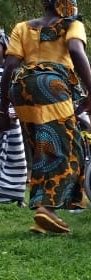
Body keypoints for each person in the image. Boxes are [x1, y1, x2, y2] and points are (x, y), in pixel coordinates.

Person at [0, 0, 91, 233]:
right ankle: (47, 209)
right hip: (51, 85)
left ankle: (45, 219)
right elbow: (75, 50)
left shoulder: (22, 27)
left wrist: (3, 106)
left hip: (21, 88)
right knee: (68, 146)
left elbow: (10, 64)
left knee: (44, 147)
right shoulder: (72, 24)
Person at [0, 29, 28, 206]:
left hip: (11, 121)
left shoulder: (14, 72)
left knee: (16, 159)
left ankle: (17, 195)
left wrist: (17, 111)